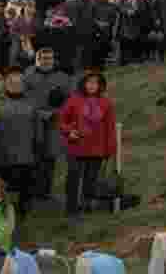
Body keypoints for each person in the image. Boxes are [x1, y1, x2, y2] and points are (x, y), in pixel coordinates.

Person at [58, 69, 117, 218]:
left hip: (97, 148)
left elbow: (110, 127)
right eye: (89, 82)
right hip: (76, 146)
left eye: (95, 83)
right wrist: (69, 130)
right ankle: (71, 207)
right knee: (73, 177)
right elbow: (61, 121)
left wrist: (110, 148)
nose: (92, 86)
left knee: (91, 179)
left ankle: (87, 205)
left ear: (100, 85)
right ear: (83, 83)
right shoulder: (73, 100)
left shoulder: (106, 103)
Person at [21, 47, 72, 200]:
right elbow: (23, 98)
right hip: (32, 121)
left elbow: (70, 100)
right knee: (34, 156)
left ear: (53, 59)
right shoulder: (27, 76)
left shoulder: (62, 77)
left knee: (50, 157)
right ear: (36, 59)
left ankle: (46, 192)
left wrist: (60, 107)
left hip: (54, 122)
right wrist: (41, 113)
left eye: (49, 58)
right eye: (42, 58)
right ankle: (31, 192)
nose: (46, 61)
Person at [0, 69, 36, 221]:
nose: (16, 85)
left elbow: (38, 128)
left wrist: (38, 147)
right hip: (1, 154)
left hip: (26, 154)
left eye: (19, 83)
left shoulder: (32, 103)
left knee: (25, 187)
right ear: (5, 84)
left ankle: (22, 213)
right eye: (12, 82)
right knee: (0, 187)